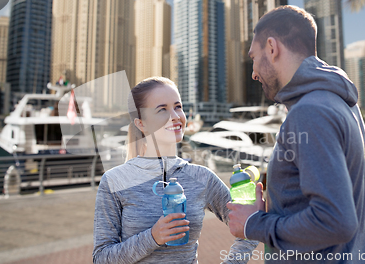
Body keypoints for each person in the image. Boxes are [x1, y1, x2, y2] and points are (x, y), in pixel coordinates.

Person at [227, 6, 365, 263]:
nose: (253, 72)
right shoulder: (339, 102)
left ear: (271, 47)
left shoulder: (310, 111)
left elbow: (335, 221)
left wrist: (254, 224)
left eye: (253, 57)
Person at [93, 77, 259, 263]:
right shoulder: (115, 180)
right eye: (162, 109)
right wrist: (153, 237)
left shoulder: (202, 177)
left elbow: (250, 226)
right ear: (141, 124)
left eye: (178, 106)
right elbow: (101, 258)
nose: (175, 116)